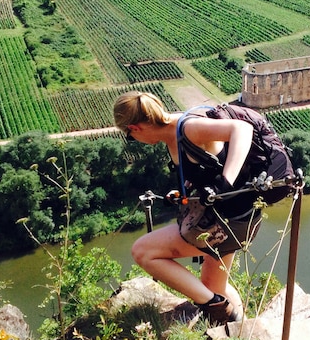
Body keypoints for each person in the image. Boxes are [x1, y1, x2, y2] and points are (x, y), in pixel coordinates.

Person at [114, 91, 292, 324]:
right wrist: (186, 191)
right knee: (213, 288)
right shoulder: (173, 133)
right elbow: (206, 167)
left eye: (129, 136)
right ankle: (240, 328)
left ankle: (216, 309)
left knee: (143, 251)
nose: (133, 140)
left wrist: (223, 183)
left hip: (228, 222)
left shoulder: (189, 128)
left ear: (135, 128)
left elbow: (241, 129)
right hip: (235, 217)